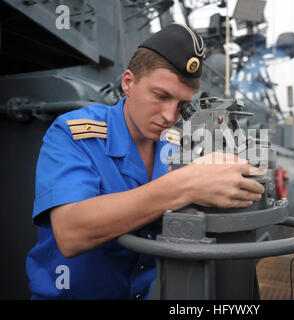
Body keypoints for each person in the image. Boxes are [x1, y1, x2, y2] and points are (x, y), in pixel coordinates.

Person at [25, 23, 265, 299]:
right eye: (160, 96)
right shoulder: (74, 133)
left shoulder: (178, 146)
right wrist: (186, 185)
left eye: (182, 105)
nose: (169, 116)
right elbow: (71, 232)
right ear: (128, 82)